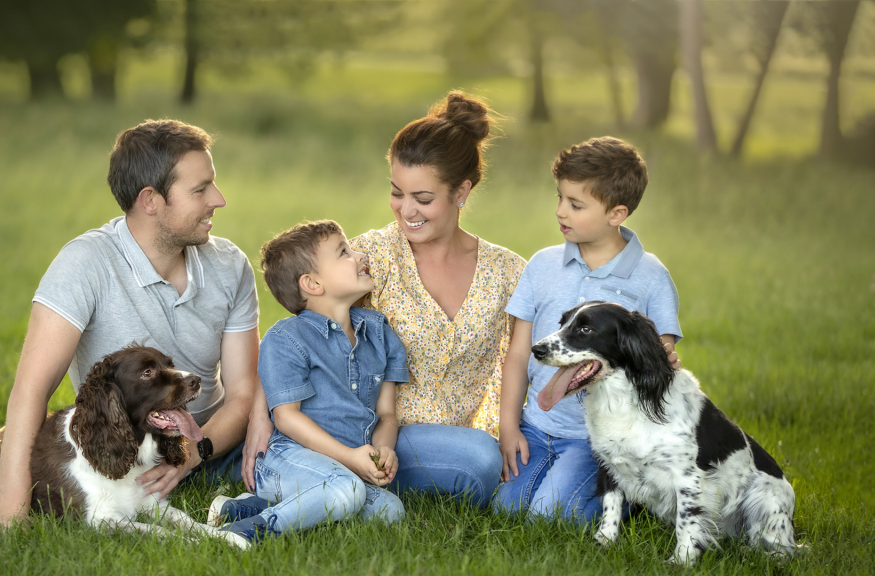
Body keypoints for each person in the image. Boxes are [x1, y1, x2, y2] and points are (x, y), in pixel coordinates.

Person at [243, 91, 526, 508]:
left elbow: (529, 356)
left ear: (462, 192)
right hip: (364, 429)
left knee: (489, 465)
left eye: (423, 199)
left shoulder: (508, 272)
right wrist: (259, 419)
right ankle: (333, 478)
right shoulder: (371, 259)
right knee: (477, 462)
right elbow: (297, 331)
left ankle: (336, 488)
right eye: (397, 192)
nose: (405, 210)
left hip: (449, 436)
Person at [0, 119, 272, 528]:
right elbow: (30, 394)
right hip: (124, 454)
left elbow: (244, 391)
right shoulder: (84, 264)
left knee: (313, 450)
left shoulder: (230, 265)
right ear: (150, 200)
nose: (219, 199)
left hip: (213, 442)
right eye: (200, 190)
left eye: (212, 183)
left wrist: (192, 457)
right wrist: (11, 516)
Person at [495, 136, 683, 523]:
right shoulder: (543, 265)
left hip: (597, 441)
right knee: (506, 510)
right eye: (560, 197)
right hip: (537, 425)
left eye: (576, 204)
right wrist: (509, 426)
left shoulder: (650, 278)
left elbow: (656, 365)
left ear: (617, 214)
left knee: (548, 516)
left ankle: (628, 492)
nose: (561, 211)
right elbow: (517, 353)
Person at [213, 220, 408, 546]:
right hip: (286, 461)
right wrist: (350, 458)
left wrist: (384, 448)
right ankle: (250, 531)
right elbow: (287, 417)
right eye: (344, 252)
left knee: (390, 511)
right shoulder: (287, 339)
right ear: (313, 284)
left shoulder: (379, 334)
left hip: (345, 468)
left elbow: (387, 414)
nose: (360, 255)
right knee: (347, 490)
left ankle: (241, 510)